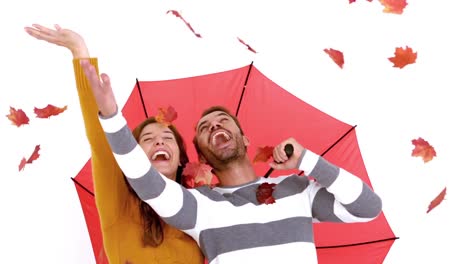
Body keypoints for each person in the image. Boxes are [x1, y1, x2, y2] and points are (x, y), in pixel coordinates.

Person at [81, 47, 383, 264]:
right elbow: (146, 183)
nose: (215, 125)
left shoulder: (296, 188)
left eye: (223, 120)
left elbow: (368, 207)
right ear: (202, 155)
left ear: (244, 137)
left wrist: (308, 161)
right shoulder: (200, 206)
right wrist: (110, 115)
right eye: (204, 127)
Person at [24, 24, 204, 264]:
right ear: (133, 157)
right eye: (147, 139)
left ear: (182, 158)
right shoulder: (118, 202)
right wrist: (80, 52)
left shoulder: (199, 212)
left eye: (168, 137)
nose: (159, 139)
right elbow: (101, 143)